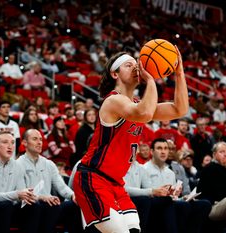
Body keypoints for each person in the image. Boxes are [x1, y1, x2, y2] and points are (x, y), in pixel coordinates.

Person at [73, 47, 188, 233]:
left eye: (137, 65)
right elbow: (144, 113)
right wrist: (151, 79)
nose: (136, 68)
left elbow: (179, 110)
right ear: (114, 74)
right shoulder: (113, 101)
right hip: (93, 178)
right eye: (129, 65)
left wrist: (179, 72)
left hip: (116, 183)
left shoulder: (136, 104)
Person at [18, 129, 81, 233]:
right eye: (35, 139)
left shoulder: (49, 164)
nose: (39, 142)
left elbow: (62, 187)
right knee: (37, 205)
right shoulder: (18, 164)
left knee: (72, 204)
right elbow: (21, 193)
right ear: (24, 142)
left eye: (41, 140)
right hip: (27, 206)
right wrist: (42, 197)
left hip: (48, 205)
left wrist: (73, 195)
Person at [143, 138, 211, 233]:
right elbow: (146, 194)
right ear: (151, 151)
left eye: (165, 148)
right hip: (155, 204)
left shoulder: (170, 172)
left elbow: (174, 196)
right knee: (180, 206)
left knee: (204, 204)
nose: (163, 152)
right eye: (159, 148)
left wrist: (182, 197)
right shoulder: (144, 169)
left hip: (172, 201)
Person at [124, 160, 178, 233]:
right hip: (120, 200)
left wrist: (163, 190)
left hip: (138, 200)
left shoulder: (139, 167)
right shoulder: (117, 164)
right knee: (144, 201)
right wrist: (152, 191)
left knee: (166, 200)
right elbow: (123, 189)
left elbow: (149, 187)